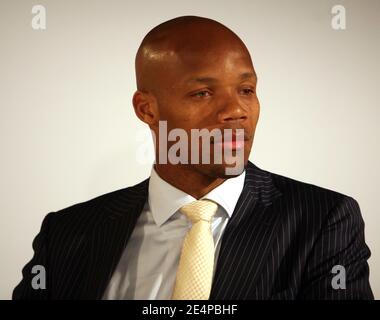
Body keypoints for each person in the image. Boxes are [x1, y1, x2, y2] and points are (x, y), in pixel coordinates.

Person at [13, 16, 373, 300]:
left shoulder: (321, 222)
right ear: (146, 109)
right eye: (202, 93)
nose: (237, 110)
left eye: (246, 90)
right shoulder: (67, 233)